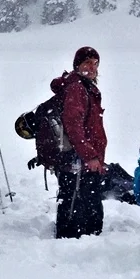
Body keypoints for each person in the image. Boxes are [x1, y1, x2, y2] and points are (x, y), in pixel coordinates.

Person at [49, 46, 108, 239]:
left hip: (81, 157)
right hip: (78, 159)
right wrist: (90, 155)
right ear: (77, 65)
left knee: (78, 198)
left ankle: (81, 237)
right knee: (77, 199)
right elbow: (73, 125)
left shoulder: (84, 87)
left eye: (95, 63)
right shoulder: (77, 88)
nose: (92, 68)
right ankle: (73, 240)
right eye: (87, 63)